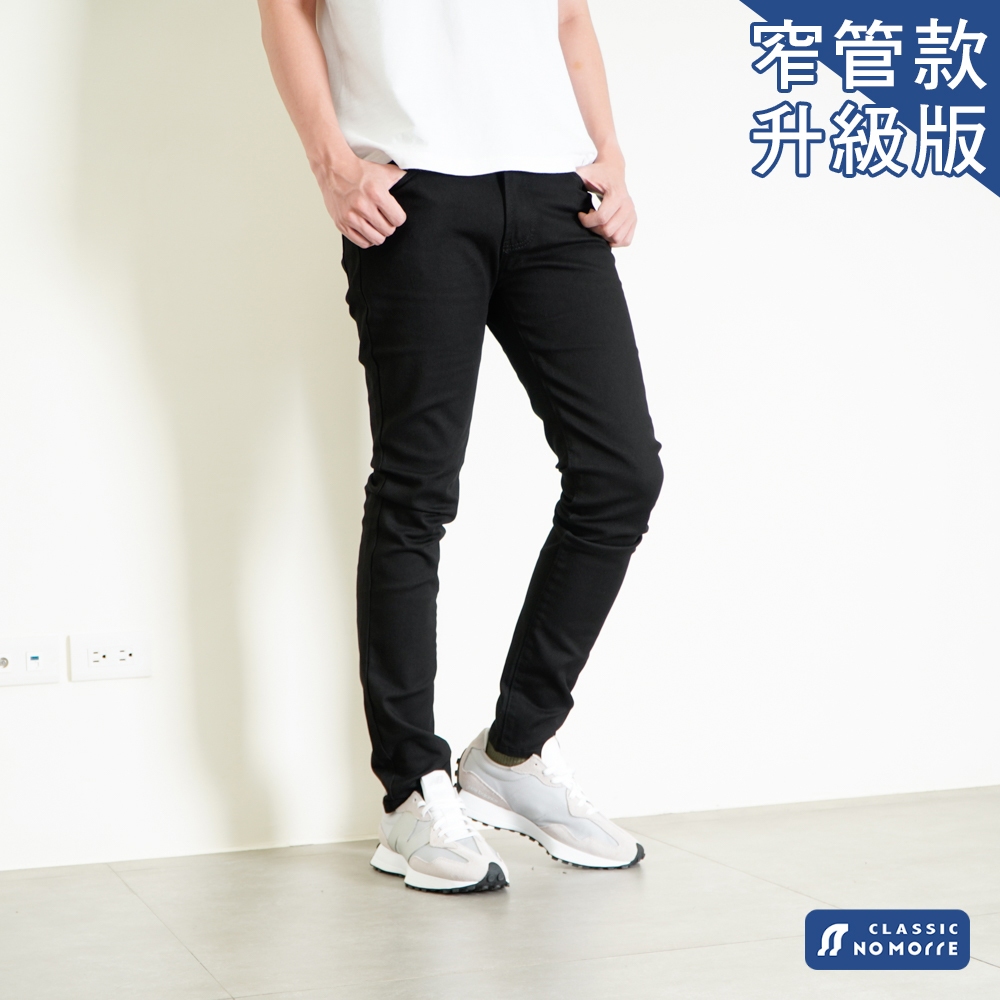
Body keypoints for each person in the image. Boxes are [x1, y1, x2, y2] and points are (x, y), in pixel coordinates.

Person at [259, 0, 663, 894]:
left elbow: (567, 16)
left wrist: (610, 152)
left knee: (621, 474)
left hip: (555, 193)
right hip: (415, 194)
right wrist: (333, 165)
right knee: (416, 491)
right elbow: (286, 8)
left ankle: (513, 753)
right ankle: (411, 791)